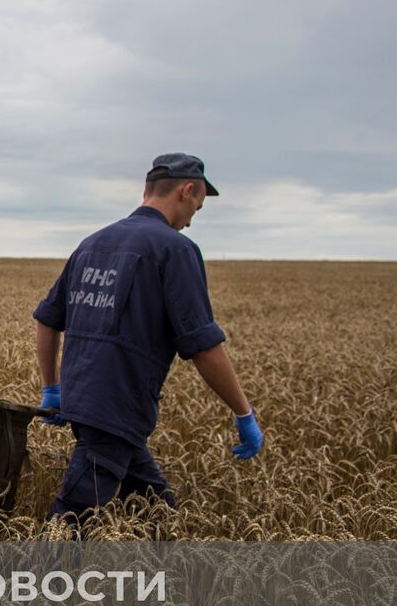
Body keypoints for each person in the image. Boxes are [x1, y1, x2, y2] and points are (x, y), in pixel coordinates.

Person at [32, 153, 263, 527]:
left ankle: (172, 571)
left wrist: (53, 388)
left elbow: (46, 320)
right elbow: (203, 347)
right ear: (187, 191)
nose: (190, 222)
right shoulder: (174, 249)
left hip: (86, 402)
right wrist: (243, 413)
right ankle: (33, 581)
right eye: (197, 209)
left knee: (156, 509)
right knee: (71, 520)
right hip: (118, 405)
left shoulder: (93, 242)